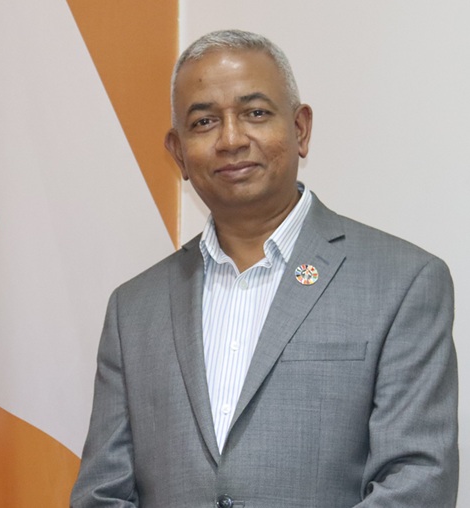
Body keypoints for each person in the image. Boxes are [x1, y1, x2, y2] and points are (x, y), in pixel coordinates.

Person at [70, 29, 458, 507]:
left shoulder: (402, 283)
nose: (232, 139)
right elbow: (102, 492)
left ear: (300, 129)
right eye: (204, 121)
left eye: (255, 113)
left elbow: (417, 481)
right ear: (178, 153)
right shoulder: (133, 310)